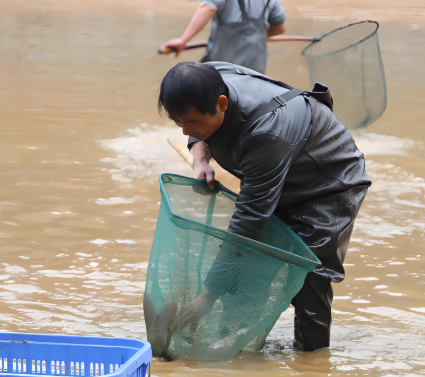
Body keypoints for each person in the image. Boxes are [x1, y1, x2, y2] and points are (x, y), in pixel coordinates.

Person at [157, 61, 371, 352]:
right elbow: (196, 120)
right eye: (178, 122)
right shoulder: (202, 78)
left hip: (328, 182)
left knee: (310, 281)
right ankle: (231, 352)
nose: (184, 132)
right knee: (246, 274)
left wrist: (206, 296)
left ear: (222, 104)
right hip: (275, 174)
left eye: (192, 124)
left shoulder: (266, 132)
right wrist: (200, 158)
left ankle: (312, 362)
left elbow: (249, 220)